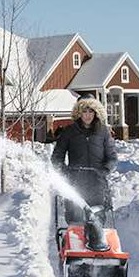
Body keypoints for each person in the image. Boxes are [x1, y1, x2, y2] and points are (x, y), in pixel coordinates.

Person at [51, 94, 118, 224]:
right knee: (75, 221)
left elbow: (112, 157)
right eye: (84, 111)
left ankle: (97, 243)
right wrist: (66, 172)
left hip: (97, 185)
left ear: (96, 113)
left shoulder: (104, 132)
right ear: (78, 113)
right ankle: (74, 243)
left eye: (91, 111)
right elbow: (56, 158)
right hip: (75, 184)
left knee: (97, 223)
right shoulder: (69, 131)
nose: (87, 115)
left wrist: (105, 170)